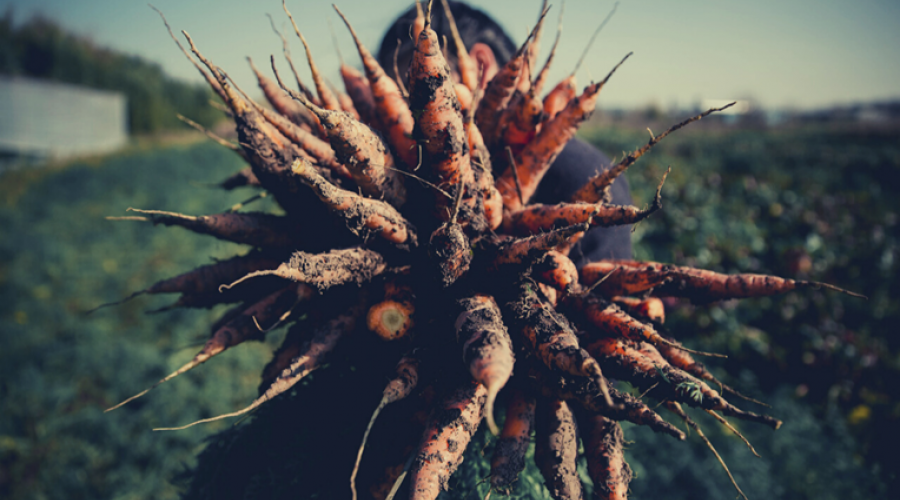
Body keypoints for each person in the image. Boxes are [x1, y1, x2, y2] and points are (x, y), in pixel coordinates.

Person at [377, 1, 634, 265]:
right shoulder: (404, 171)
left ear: (480, 65)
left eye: (419, 82)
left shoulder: (580, 176)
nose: (408, 114)